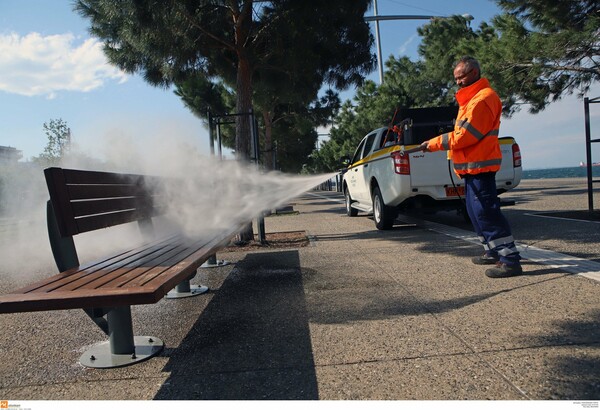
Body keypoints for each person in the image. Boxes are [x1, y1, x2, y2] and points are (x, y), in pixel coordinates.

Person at [419, 56, 522, 278]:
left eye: (461, 77)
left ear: (474, 72)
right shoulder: (470, 101)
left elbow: (466, 136)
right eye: (455, 78)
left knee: (486, 213)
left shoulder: (483, 100)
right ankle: (491, 251)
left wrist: (434, 143)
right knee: (475, 213)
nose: (458, 82)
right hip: (471, 169)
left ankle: (510, 260)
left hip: (481, 168)